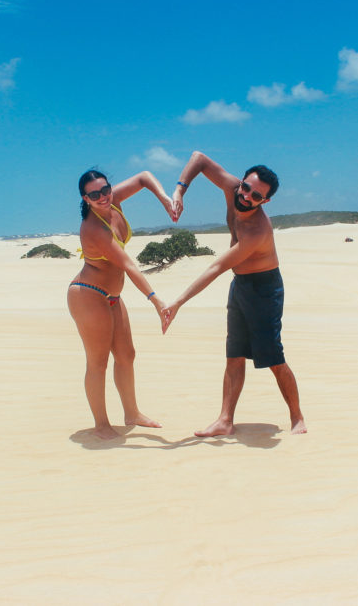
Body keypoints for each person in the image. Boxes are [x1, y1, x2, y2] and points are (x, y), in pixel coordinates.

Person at [163, 152, 306, 436]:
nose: (247, 197)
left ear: (265, 202)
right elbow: (199, 160)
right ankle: (225, 420)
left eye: (256, 196)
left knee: (273, 358)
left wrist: (178, 301)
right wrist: (179, 190)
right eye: (246, 188)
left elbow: (217, 266)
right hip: (240, 284)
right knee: (234, 353)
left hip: (265, 289)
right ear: (240, 183)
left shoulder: (257, 229)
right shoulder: (232, 189)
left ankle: (297, 417)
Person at [67, 168, 174, 440]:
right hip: (88, 294)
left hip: (112, 296)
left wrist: (163, 198)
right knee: (98, 362)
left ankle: (132, 413)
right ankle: (101, 424)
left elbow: (144, 177)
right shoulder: (92, 228)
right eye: (95, 194)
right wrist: (155, 300)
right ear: (86, 199)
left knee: (127, 355)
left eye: (105, 190)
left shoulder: (114, 200)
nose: (103, 196)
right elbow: (127, 264)